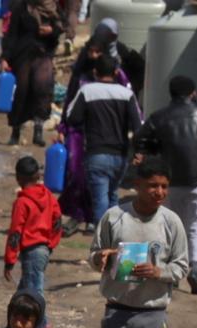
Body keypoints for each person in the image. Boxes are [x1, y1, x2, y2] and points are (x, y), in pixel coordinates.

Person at [90, 157, 189, 328]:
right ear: (138, 184)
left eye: (164, 186)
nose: (159, 192)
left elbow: (182, 267)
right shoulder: (114, 217)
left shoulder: (171, 222)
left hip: (154, 314)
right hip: (117, 311)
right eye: (153, 185)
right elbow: (94, 254)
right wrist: (100, 258)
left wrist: (158, 272)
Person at [57, 25, 137, 235]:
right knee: (87, 183)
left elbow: (73, 115)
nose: (93, 55)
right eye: (90, 51)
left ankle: (103, 236)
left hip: (96, 147)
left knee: (103, 194)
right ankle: (93, 225)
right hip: (105, 147)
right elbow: (137, 122)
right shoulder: (87, 81)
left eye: (97, 52)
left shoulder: (92, 89)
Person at [133, 76, 197, 294]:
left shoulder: (159, 117)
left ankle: (169, 272)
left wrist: (150, 152)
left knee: (170, 226)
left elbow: (139, 139)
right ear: (192, 93)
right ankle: (195, 267)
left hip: (168, 181)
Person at [65, 54, 142, 223]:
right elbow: (138, 125)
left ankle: (104, 240)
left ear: (95, 72)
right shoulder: (126, 93)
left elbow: (72, 118)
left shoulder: (87, 91)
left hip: (96, 153)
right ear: (115, 72)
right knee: (113, 196)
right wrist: (139, 151)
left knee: (100, 199)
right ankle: (113, 236)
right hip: (120, 156)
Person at [4, 156, 62, 316]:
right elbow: (57, 221)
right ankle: (16, 322)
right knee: (24, 291)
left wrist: (9, 260)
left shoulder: (22, 203)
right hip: (44, 249)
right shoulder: (48, 195)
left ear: (18, 178)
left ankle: (40, 327)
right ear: (38, 176)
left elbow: (15, 232)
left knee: (33, 294)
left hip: (31, 251)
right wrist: (51, 244)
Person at [0, 0, 62, 147]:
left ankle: (38, 131)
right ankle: (15, 132)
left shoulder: (53, 8)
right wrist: (5, 58)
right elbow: (11, 34)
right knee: (21, 92)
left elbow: (61, 27)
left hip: (43, 54)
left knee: (42, 89)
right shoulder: (21, 7)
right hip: (22, 56)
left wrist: (51, 31)